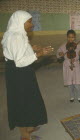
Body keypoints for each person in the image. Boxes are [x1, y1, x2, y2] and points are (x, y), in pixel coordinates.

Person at [2, 10, 54, 140]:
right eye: (29, 21)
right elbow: (19, 61)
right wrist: (39, 54)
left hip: (20, 72)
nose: (32, 24)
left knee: (29, 98)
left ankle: (28, 127)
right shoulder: (16, 37)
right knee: (21, 101)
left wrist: (31, 48)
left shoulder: (16, 34)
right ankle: (25, 136)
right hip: (19, 73)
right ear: (20, 22)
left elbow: (19, 51)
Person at [57, 30, 80, 103]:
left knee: (77, 83)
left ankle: (79, 96)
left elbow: (77, 55)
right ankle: (71, 96)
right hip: (67, 65)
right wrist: (60, 53)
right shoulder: (63, 46)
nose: (71, 39)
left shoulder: (77, 45)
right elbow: (58, 53)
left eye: (72, 37)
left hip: (75, 65)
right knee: (69, 83)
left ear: (75, 37)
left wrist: (75, 58)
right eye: (69, 37)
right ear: (67, 37)